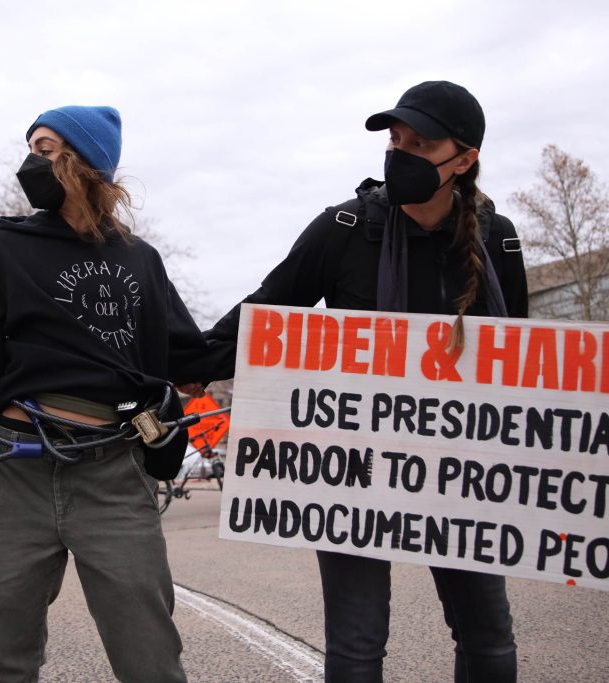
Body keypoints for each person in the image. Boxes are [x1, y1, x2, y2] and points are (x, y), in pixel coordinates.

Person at [195, 81, 527, 682]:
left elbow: (525, 365)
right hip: (356, 473)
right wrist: (176, 365)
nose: (399, 153)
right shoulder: (343, 229)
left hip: (462, 473)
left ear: (465, 159)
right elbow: (259, 318)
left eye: (419, 143)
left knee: (489, 640)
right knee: (356, 648)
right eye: (395, 139)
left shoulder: (496, 239)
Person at [0, 105, 207, 682]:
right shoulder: (5, 251)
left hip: (116, 473)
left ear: (88, 161)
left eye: (46, 149)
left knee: (151, 659)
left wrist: (270, 349)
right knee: (4, 655)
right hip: (14, 471)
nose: (31, 162)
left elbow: (190, 356)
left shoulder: (139, 259)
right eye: (31, 148)